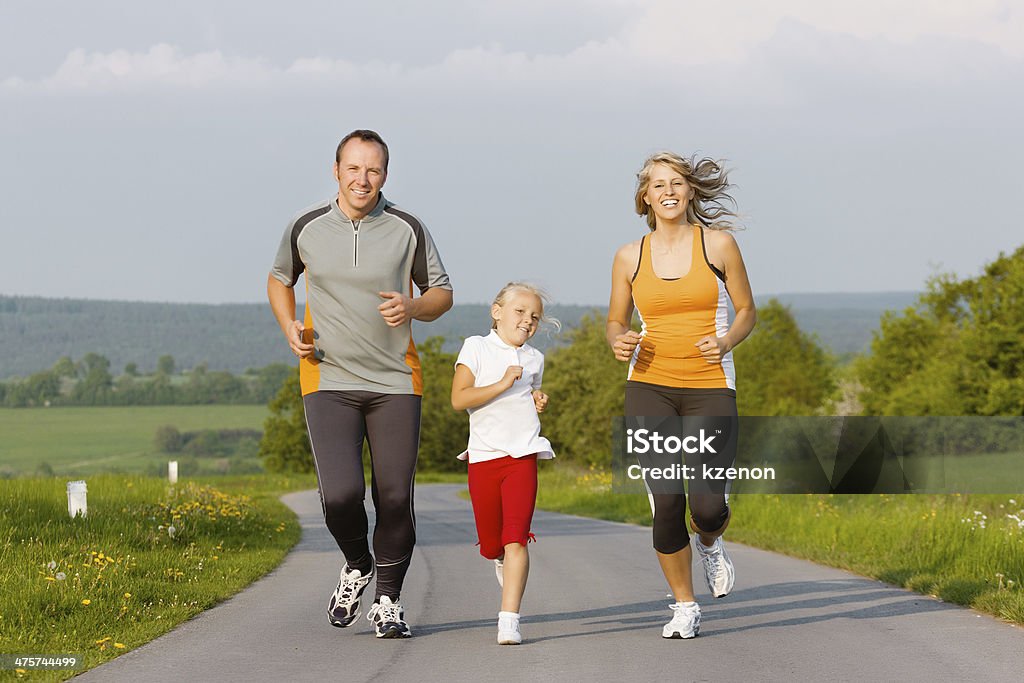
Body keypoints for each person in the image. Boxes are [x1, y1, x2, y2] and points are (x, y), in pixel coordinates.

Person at [267, 129, 453, 639]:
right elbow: (279, 278)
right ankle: (357, 563)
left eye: (372, 170)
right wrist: (289, 328)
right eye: (353, 168)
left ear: (384, 175)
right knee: (341, 496)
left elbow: (442, 293)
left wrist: (414, 305)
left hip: (396, 380)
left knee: (394, 497)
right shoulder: (306, 226)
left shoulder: (407, 228)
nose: (362, 179)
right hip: (327, 378)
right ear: (336, 171)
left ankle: (389, 602)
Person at [606, 151, 756, 639]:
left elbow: (747, 311)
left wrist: (727, 340)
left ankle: (710, 543)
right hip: (649, 384)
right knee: (667, 501)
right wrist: (617, 338)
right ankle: (685, 604)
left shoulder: (719, 245)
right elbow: (616, 321)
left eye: (675, 183)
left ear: (689, 191)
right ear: (645, 198)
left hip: (711, 384)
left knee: (707, 507)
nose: (667, 191)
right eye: (657, 185)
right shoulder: (631, 255)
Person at [450, 282, 558, 645]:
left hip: (522, 455)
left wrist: (537, 398)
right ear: (497, 312)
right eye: (519, 312)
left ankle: (509, 619)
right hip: (483, 457)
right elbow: (459, 398)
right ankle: (497, 557)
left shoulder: (535, 358)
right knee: (491, 545)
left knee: (516, 538)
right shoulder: (476, 347)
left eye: (534, 317)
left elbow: (528, 394)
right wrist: (500, 383)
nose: (527, 321)